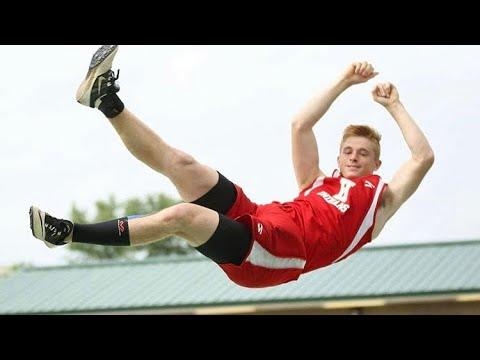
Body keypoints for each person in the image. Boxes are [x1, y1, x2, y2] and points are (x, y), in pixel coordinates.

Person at [29, 45, 435, 288]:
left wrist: (394, 105)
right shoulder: (316, 183)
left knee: (185, 216)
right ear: (339, 154)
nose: (353, 156)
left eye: (363, 153)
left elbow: (422, 158)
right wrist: (344, 82)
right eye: (348, 149)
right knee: (184, 164)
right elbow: (301, 124)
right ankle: (104, 99)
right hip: (257, 219)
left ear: (377, 163)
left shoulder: (378, 204)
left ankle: (67, 233)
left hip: (271, 255)